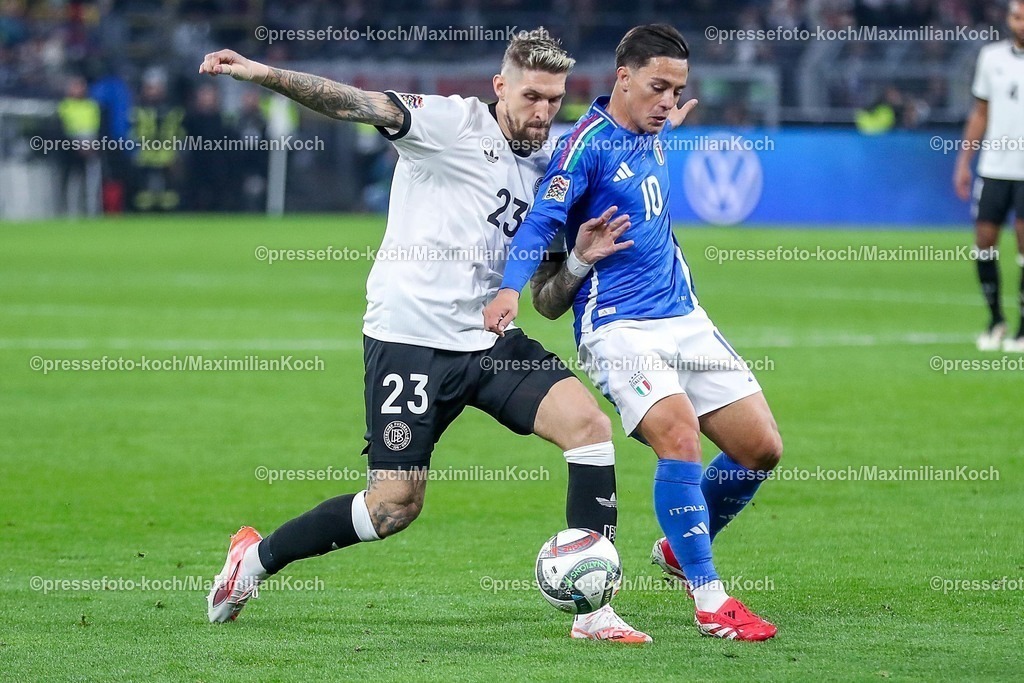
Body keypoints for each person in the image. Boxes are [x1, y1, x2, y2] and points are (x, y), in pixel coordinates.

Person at [198, 28, 651, 643]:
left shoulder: (554, 171)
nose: (543, 113)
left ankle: (595, 611)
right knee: (392, 508)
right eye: (531, 98)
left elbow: (544, 301)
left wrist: (577, 262)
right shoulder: (450, 124)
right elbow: (354, 102)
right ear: (500, 87)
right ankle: (251, 562)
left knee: (590, 429)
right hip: (408, 339)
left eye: (554, 100)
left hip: (488, 340)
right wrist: (266, 75)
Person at [484, 24, 782, 642]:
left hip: (684, 315)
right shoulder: (583, 148)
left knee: (760, 449)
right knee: (679, 440)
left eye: (677, 91)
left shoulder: (649, 130)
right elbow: (542, 220)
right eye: (657, 88)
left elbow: (644, 141)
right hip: (619, 325)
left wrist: (659, 123)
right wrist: (512, 286)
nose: (668, 102)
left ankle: (679, 549)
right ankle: (710, 602)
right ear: (622, 79)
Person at [954, 0, 1024, 352]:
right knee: (984, 244)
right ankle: (996, 319)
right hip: (994, 168)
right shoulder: (991, 58)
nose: (1020, 22)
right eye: (1016, 16)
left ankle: (1023, 329)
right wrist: (964, 162)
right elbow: (980, 112)